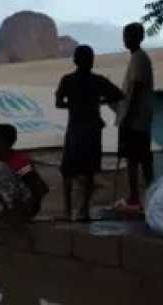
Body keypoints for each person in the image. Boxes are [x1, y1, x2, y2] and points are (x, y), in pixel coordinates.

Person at [55, 45, 123, 221]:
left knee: (68, 170)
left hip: (75, 128)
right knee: (89, 170)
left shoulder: (67, 80)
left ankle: (67, 211)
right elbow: (118, 95)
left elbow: (58, 103)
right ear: (91, 61)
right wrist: (98, 101)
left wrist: (74, 105)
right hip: (92, 129)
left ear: (75, 61)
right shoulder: (97, 81)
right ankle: (84, 210)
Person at [115, 22, 155, 212]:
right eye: (125, 35)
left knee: (135, 159)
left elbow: (137, 89)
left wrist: (127, 118)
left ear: (139, 37)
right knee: (142, 158)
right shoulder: (137, 58)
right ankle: (150, 197)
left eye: (129, 35)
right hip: (139, 120)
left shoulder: (139, 58)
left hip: (135, 120)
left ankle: (135, 199)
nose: (126, 39)